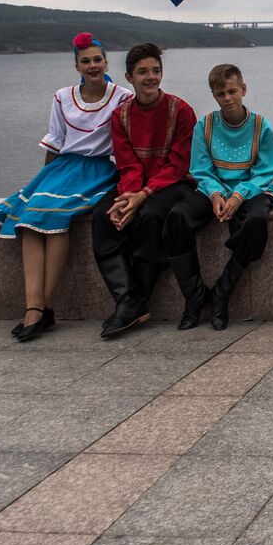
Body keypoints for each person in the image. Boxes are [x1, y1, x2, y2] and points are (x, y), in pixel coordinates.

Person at [0, 33, 133, 341]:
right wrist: (44, 180)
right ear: (77, 66)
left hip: (97, 170)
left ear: (106, 62)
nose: (92, 66)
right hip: (63, 168)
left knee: (56, 221)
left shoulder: (122, 97)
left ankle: (44, 307)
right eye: (85, 61)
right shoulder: (63, 97)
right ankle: (34, 306)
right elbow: (55, 141)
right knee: (28, 221)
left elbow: (127, 142)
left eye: (97, 60)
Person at [163, 64, 273, 331]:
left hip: (251, 188)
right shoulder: (204, 125)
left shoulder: (261, 126)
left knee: (254, 222)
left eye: (232, 91)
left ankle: (221, 293)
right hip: (212, 189)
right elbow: (200, 169)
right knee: (177, 218)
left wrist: (239, 195)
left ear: (243, 89)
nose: (227, 98)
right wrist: (215, 193)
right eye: (221, 94)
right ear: (214, 95)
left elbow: (266, 171)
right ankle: (194, 298)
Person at [91, 43, 198, 339]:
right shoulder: (121, 116)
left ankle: (134, 303)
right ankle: (128, 300)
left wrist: (142, 197)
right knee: (102, 216)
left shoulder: (181, 110)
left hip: (174, 185)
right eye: (143, 72)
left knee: (151, 217)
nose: (150, 77)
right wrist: (127, 198)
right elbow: (128, 165)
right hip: (137, 186)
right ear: (129, 77)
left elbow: (178, 165)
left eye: (155, 70)